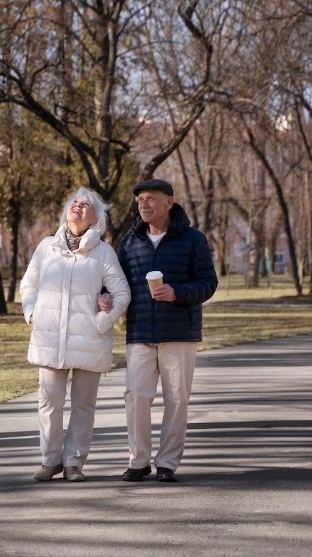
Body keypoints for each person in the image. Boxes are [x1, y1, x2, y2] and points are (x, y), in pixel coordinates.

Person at [100, 178, 217, 483]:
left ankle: (167, 463)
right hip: (139, 332)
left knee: (177, 399)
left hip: (179, 332)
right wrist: (106, 296)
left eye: (152, 198)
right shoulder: (129, 242)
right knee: (136, 396)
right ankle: (138, 461)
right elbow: (115, 282)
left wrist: (177, 293)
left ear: (169, 202)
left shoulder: (193, 240)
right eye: (140, 200)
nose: (145, 204)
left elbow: (208, 283)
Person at [20, 187, 131, 482]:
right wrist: (33, 313)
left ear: (97, 219)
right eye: (75, 202)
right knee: (49, 402)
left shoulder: (104, 253)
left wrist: (102, 319)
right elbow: (28, 285)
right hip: (50, 338)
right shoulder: (46, 247)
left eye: (86, 205)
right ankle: (50, 460)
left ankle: (73, 462)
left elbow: (121, 293)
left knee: (83, 405)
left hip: (89, 338)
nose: (78, 206)